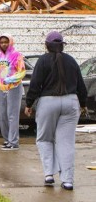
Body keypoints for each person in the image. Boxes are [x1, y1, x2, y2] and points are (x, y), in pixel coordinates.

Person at [24, 31, 88, 191]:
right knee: (66, 142)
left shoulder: (43, 60)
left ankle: (49, 174)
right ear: (62, 45)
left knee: (45, 139)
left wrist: (29, 103)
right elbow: (81, 85)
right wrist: (83, 104)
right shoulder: (72, 61)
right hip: (71, 101)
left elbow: (35, 84)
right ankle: (67, 181)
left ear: (46, 45)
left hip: (48, 102)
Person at [0, 34, 26, 151]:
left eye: (6, 42)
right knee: (3, 115)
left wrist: (9, 80)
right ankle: (7, 139)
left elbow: (21, 72)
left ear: (11, 42)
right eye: (1, 42)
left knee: (12, 115)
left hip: (14, 87)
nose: (4, 44)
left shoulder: (17, 55)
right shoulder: (0, 56)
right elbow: (1, 73)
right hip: (2, 88)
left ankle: (14, 142)